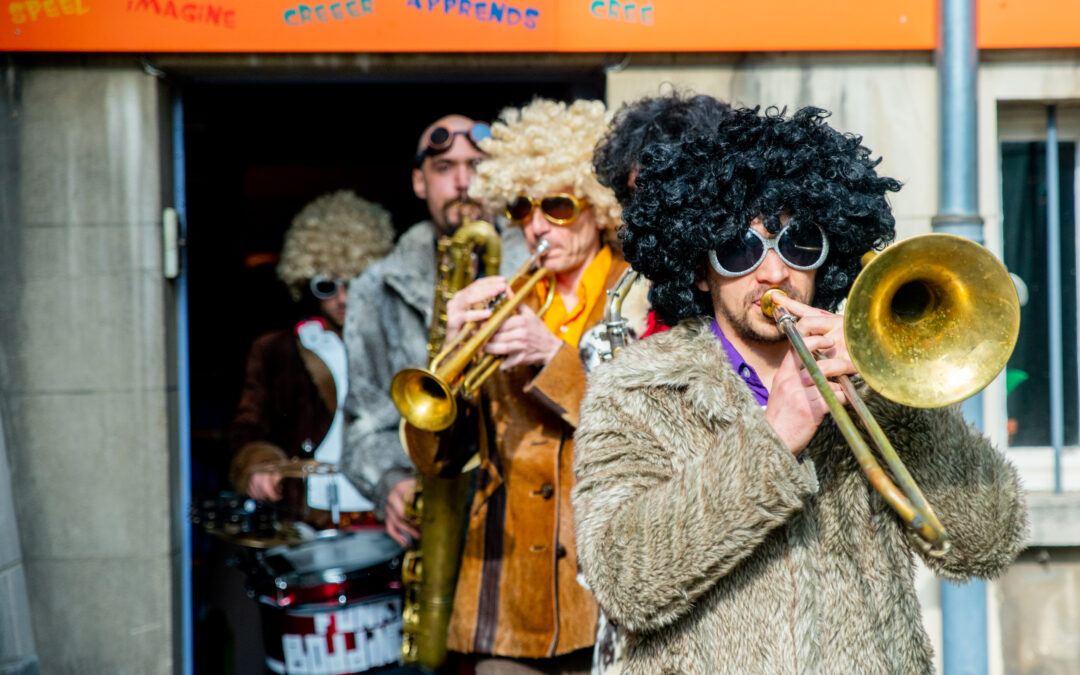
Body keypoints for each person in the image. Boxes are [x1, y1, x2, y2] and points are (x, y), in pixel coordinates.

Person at [571, 106, 1029, 675]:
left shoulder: (868, 378)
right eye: (739, 249)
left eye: (799, 244)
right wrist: (770, 443)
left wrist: (889, 390)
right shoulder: (634, 390)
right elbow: (622, 583)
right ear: (699, 270)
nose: (773, 273)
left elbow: (987, 543)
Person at [401, 98, 624, 673]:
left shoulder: (637, 294)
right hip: (506, 601)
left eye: (558, 205)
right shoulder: (506, 295)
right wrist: (451, 355)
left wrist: (552, 356)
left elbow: (647, 425)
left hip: (604, 594)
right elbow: (441, 460)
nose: (536, 226)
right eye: (523, 207)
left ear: (599, 209)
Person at [339, 114, 529, 540]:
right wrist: (390, 483)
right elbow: (361, 423)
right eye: (444, 167)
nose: (464, 183)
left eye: (477, 165)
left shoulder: (540, 265)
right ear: (419, 182)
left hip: (524, 513)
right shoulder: (376, 288)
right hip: (430, 516)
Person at [228, 190, 394, 527]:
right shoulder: (276, 350)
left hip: (386, 511)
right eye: (327, 286)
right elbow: (248, 427)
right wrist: (259, 464)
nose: (343, 299)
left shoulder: (396, 342)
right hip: (310, 517)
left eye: (354, 283)